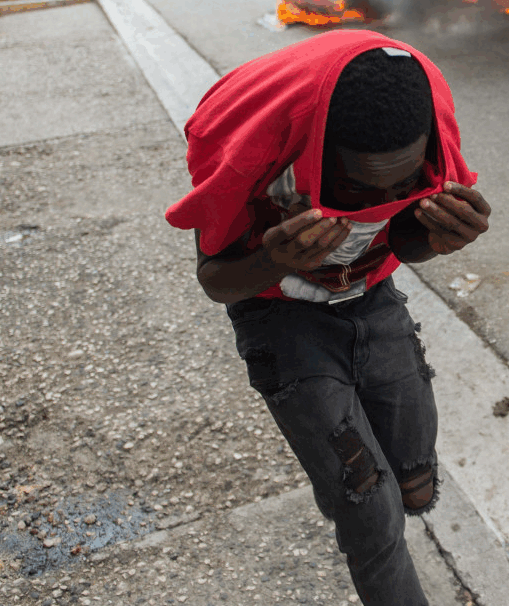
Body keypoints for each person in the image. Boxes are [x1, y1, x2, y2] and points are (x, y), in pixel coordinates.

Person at [166, 30, 491, 604]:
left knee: (415, 485)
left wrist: (439, 236)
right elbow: (215, 279)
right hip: (281, 320)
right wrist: (273, 259)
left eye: (403, 181)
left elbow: (404, 239)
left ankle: (383, 502)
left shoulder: (424, 129)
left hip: (372, 298)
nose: (381, 199)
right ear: (314, 152)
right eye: (361, 187)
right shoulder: (255, 145)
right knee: (369, 506)